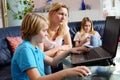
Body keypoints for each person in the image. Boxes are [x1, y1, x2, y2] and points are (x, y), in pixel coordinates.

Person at [11, 13, 91, 80]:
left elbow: (53, 62)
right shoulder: (25, 50)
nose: (47, 34)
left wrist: (70, 51)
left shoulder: (34, 48)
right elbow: (37, 79)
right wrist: (67, 72)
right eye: (44, 30)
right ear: (33, 31)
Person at [38, 2, 72, 74]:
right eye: (61, 14)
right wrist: (58, 49)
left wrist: (59, 53)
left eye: (65, 15)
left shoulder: (64, 27)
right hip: (44, 61)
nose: (63, 18)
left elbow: (69, 46)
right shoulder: (43, 29)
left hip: (57, 59)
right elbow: (40, 55)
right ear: (52, 13)